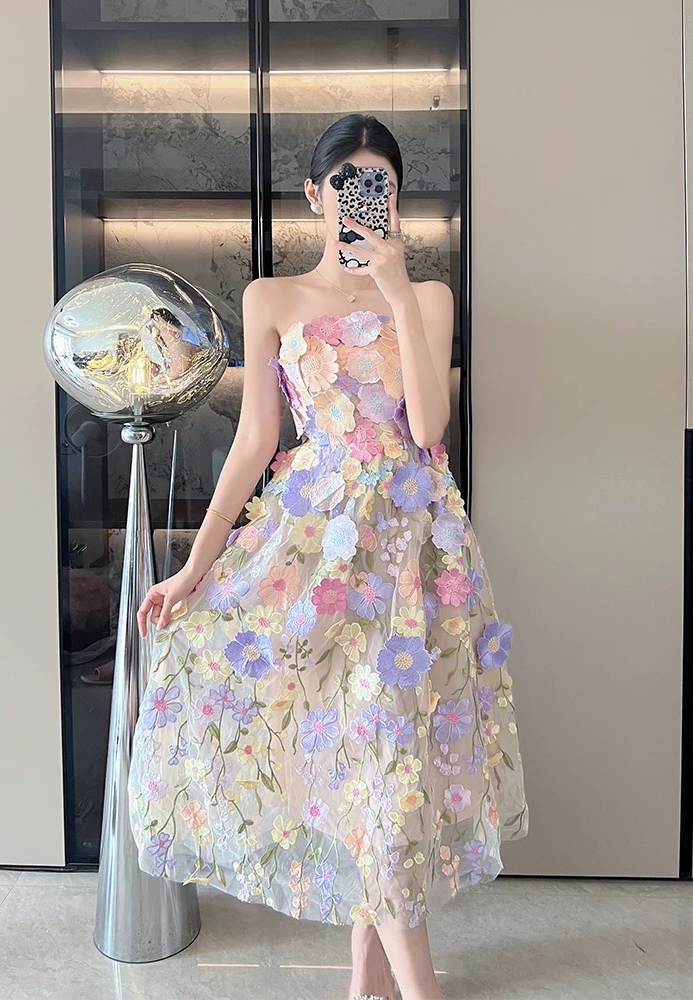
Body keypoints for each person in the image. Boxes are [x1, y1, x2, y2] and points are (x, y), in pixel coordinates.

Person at [131, 113, 528, 1000]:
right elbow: (255, 443)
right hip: (312, 557)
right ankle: (390, 987)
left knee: (389, 765)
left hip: (414, 559)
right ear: (315, 195)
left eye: (378, 184)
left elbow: (428, 428)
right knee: (361, 765)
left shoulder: (427, 297)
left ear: (396, 198)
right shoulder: (270, 299)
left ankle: (373, 983)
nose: (361, 199)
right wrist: (195, 567)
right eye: (346, 183)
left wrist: (394, 292)